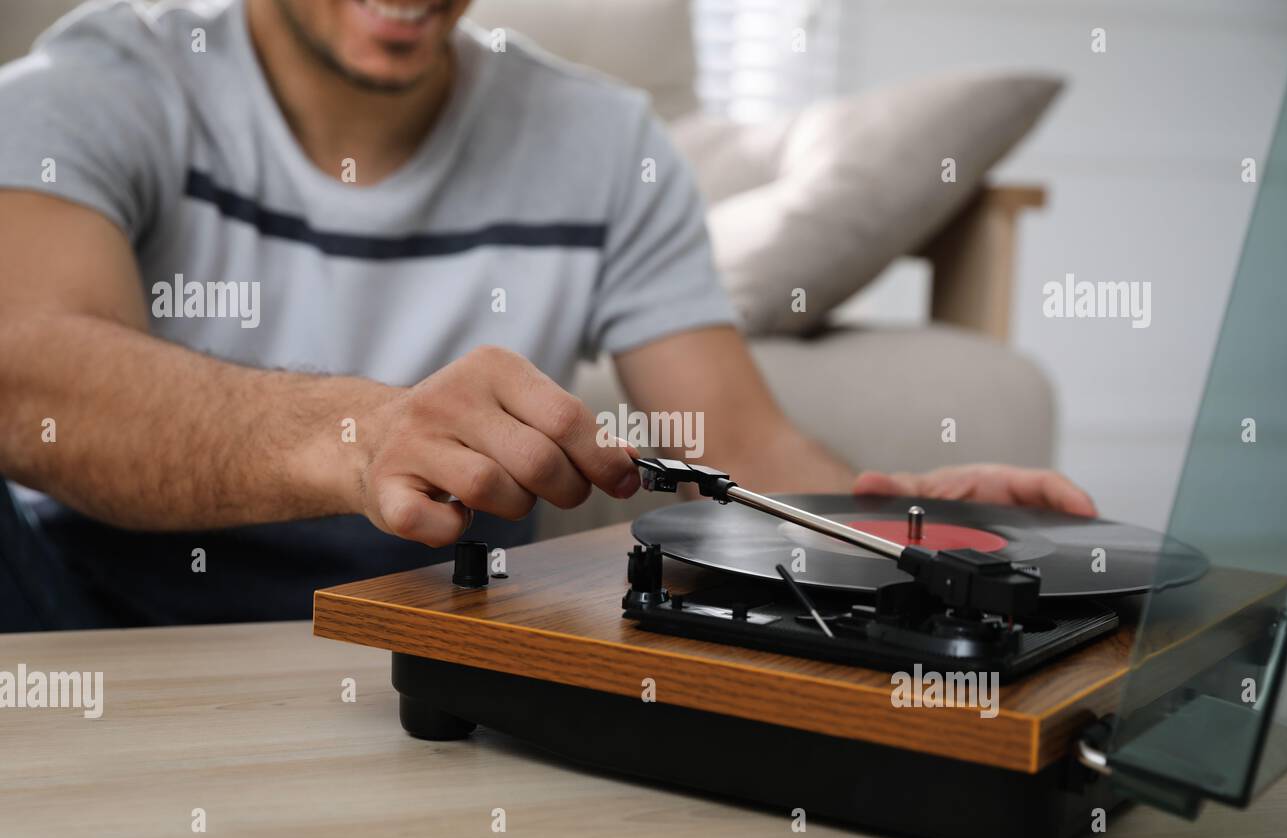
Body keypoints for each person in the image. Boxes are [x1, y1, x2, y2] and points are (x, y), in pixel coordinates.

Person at [0, 0, 1094, 632]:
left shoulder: (604, 143)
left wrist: (892, 533)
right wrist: (360, 434)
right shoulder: (106, 81)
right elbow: (31, 372)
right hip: (78, 626)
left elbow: (741, 451)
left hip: (431, 648)